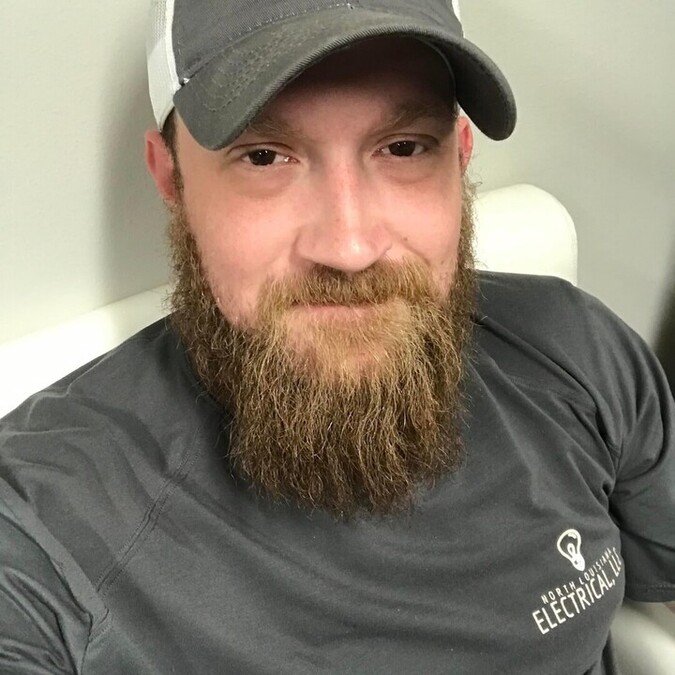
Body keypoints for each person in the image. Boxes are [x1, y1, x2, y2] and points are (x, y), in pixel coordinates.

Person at [1, 0, 673, 672]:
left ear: (460, 157)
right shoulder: (46, 524)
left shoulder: (578, 352)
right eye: (265, 156)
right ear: (171, 178)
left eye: (403, 147)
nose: (349, 248)